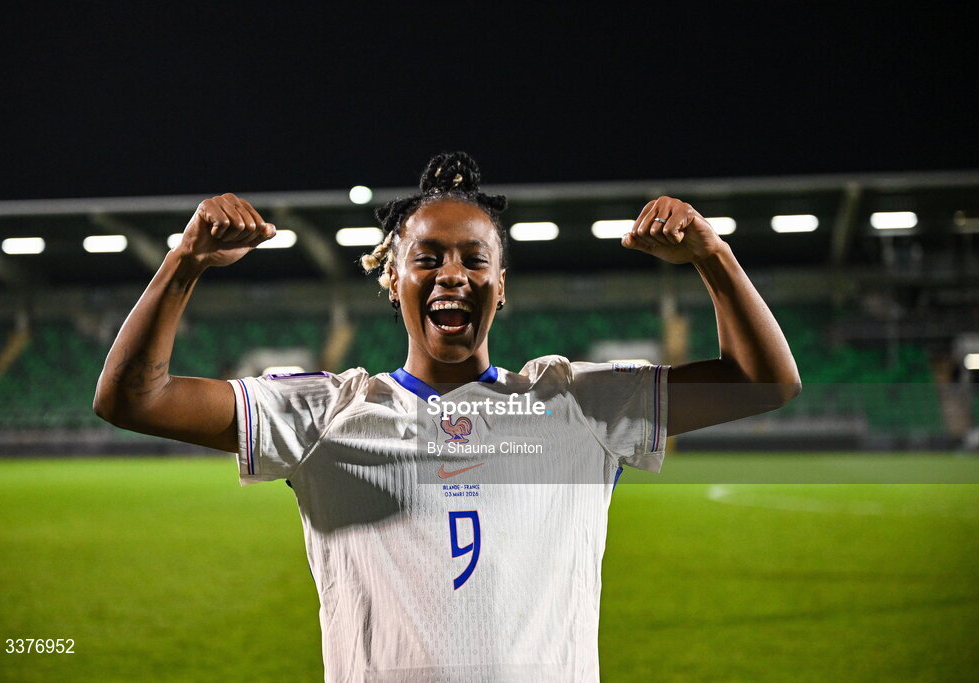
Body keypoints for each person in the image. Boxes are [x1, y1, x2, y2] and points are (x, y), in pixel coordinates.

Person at [94, 151, 800, 682]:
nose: (452, 273)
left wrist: (714, 255)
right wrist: (184, 259)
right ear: (391, 277)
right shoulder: (325, 412)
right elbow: (132, 397)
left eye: (474, 258)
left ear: (501, 284)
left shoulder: (576, 402)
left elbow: (763, 381)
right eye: (426, 258)